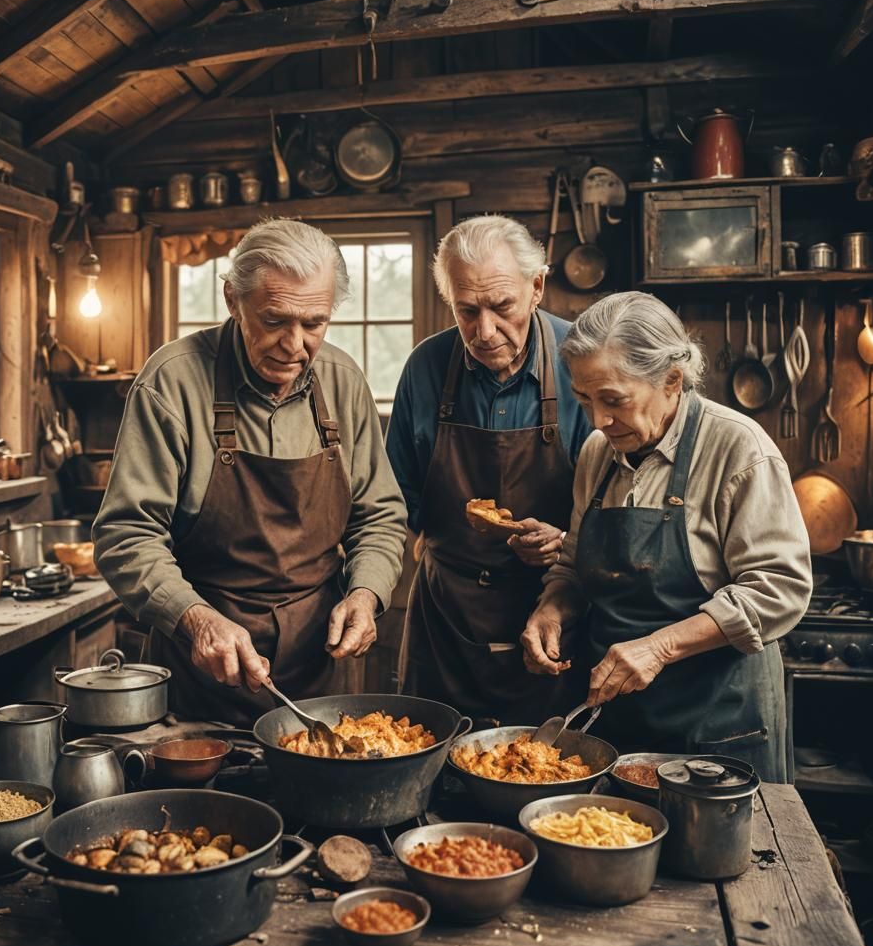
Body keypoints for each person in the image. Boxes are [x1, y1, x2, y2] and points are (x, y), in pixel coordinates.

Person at [93, 219, 407, 725]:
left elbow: (380, 515)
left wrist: (367, 593)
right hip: (201, 672)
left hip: (320, 670)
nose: (295, 345)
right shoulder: (171, 382)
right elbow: (126, 535)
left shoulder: (343, 382)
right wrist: (196, 621)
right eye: (275, 320)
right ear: (232, 300)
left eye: (315, 323)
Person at [521, 291, 811, 782]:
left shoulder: (738, 449)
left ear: (671, 381)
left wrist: (658, 647)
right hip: (618, 724)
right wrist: (553, 606)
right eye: (585, 400)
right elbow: (573, 561)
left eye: (614, 400)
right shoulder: (597, 453)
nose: (598, 420)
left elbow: (780, 588)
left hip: (718, 726)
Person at [386, 214, 592, 721]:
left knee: (546, 778)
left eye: (502, 307)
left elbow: (614, 515)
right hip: (446, 620)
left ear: (537, 286)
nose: (485, 331)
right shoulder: (425, 367)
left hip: (550, 613)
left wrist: (566, 541)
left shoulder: (584, 361)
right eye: (466, 310)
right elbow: (394, 505)